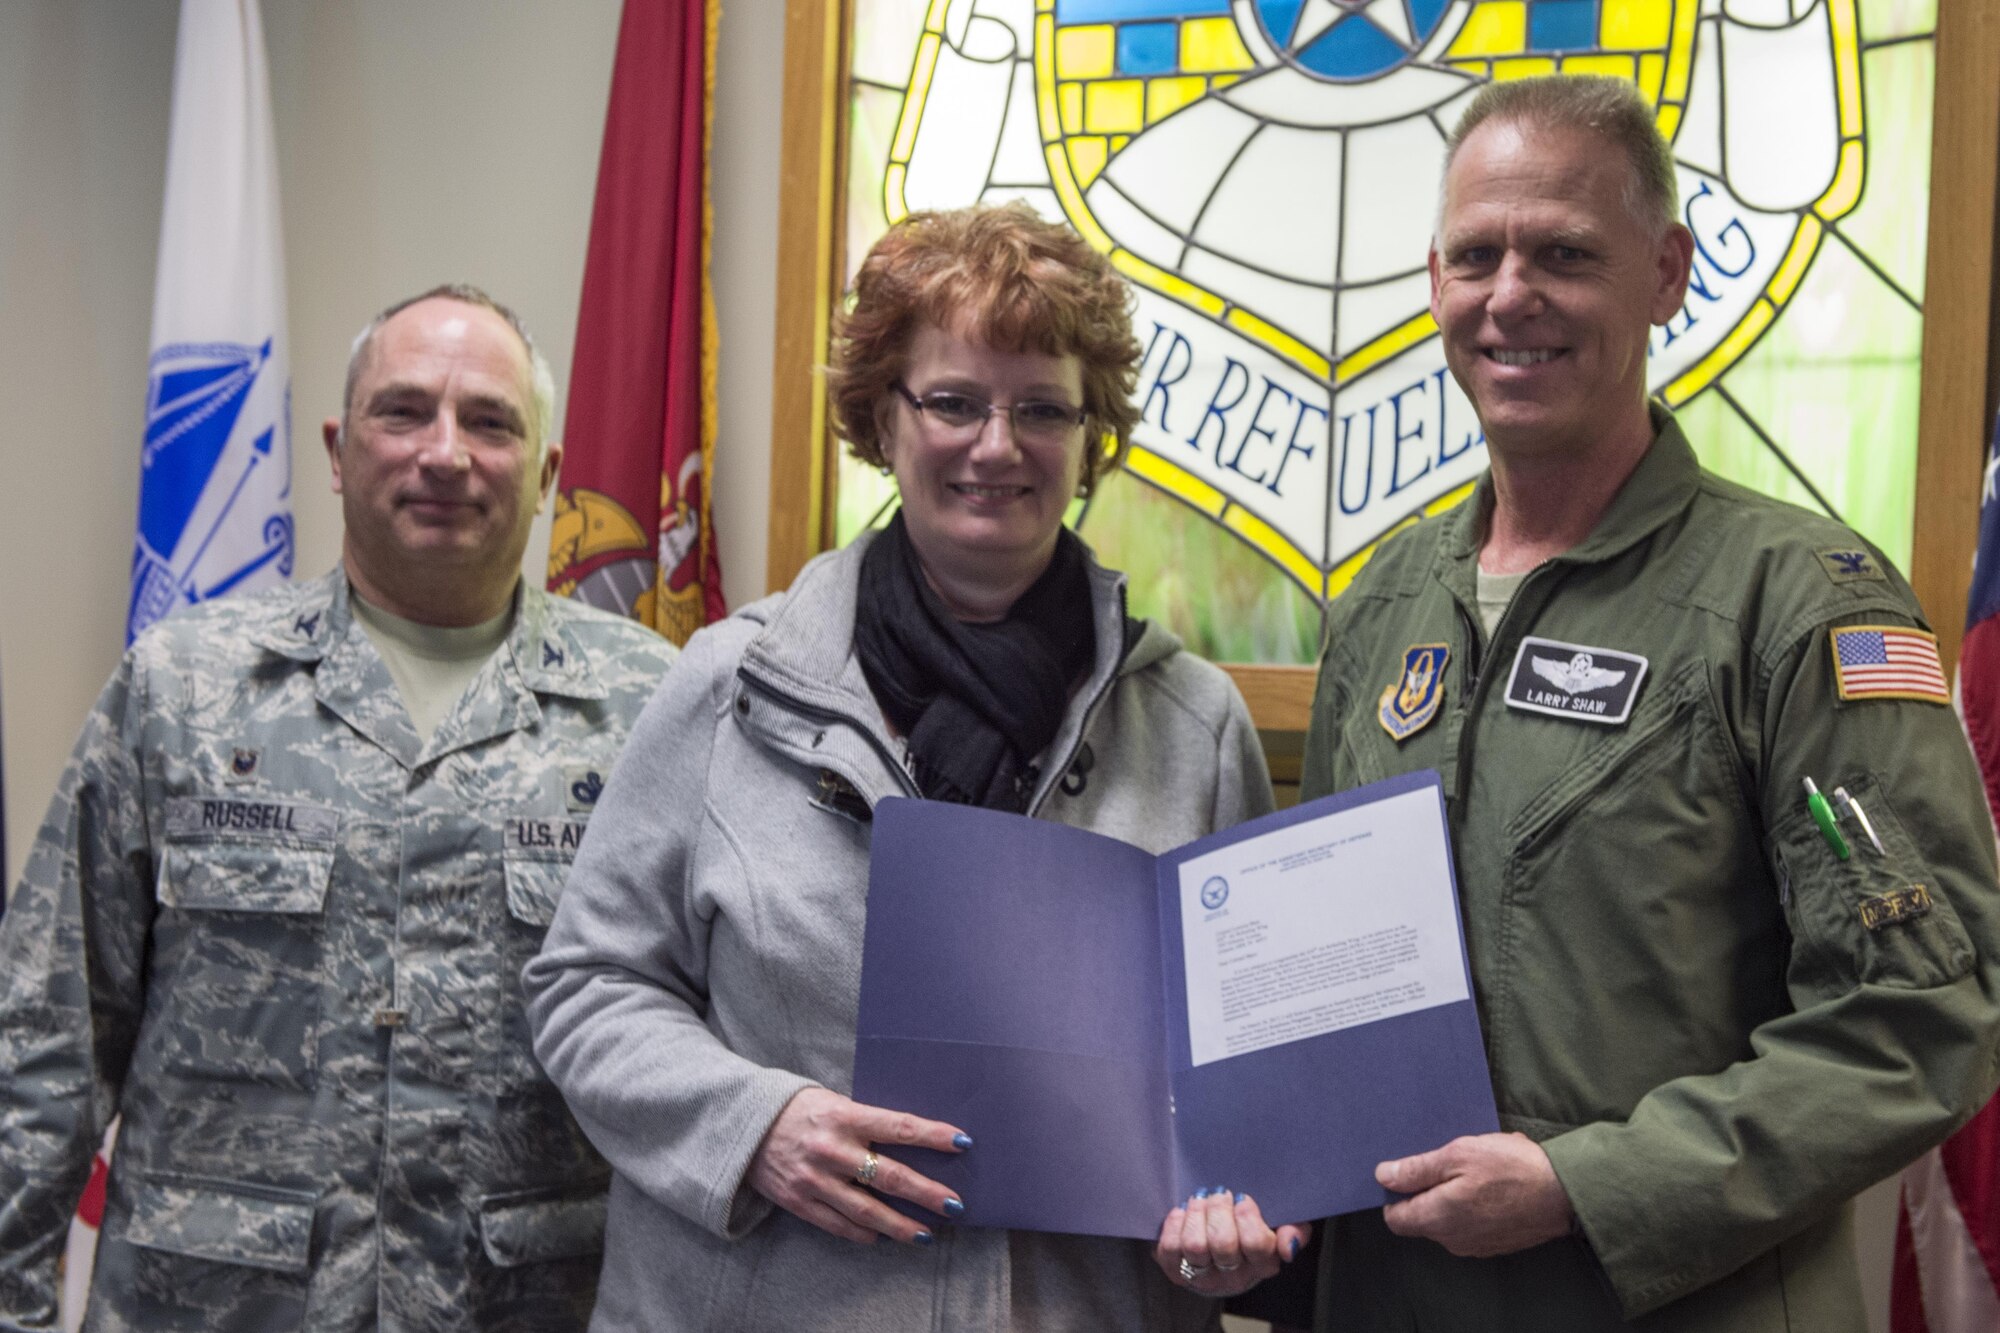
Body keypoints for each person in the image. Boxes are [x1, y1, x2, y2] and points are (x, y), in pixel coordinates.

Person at [524, 203, 1309, 1331]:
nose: (996, 444)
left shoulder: (1192, 724)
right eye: (953, 401)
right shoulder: (729, 685)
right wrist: (753, 1125)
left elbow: (1236, 1086)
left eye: (1041, 407)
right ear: (879, 419)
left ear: (1092, 439)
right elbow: (585, 985)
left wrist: (1229, 1219)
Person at [1298, 74, 2000, 1331]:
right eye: (1475, 255)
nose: (1509, 295)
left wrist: (1588, 1184)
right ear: (1433, 280)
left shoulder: (1801, 605)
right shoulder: (1383, 601)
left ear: (1665, 272)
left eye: (1563, 253)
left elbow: (1917, 1017)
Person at [0, 285, 676, 1331]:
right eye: (403, 411)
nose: (444, 452)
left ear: (545, 474)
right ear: (335, 447)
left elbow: (697, 1054)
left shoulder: (649, 713)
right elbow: (44, 1037)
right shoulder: (184, 688)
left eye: (490, 421)